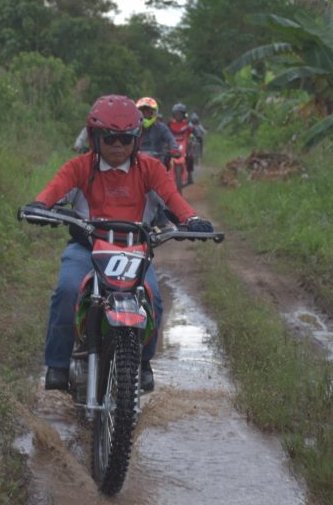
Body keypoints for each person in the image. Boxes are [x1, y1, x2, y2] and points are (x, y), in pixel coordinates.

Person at [22, 94, 214, 392]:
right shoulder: (78, 168)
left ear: (136, 140)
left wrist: (191, 219)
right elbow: (52, 192)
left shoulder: (150, 169)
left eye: (125, 139)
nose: (117, 146)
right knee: (68, 291)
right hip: (87, 249)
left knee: (154, 300)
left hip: (134, 253)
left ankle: (142, 362)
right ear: (94, 138)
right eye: (109, 138)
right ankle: (57, 364)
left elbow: (173, 199)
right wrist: (38, 206)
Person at [135, 97, 179, 167]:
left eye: (148, 112)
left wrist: (174, 149)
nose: (145, 115)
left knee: (167, 168)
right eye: (142, 112)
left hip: (158, 163)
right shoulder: (134, 128)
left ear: (155, 113)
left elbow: (170, 139)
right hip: (137, 163)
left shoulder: (161, 127)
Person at [167, 103, 196, 184]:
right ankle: (164, 175)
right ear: (174, 114)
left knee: (190, 157)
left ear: (184, 115)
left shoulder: (187, 124)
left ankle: (189, 174)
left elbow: (192, 133)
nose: (178, 116)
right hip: (172, 143)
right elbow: (165, 133)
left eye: (180, 114)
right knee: (165, 157)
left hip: (184, 143)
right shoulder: (170, 124)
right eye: (177, 114)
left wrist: (191, 138)